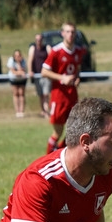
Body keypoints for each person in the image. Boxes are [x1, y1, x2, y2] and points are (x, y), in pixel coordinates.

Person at [42, 23, 87, 153]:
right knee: (58, 131)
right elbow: (44, 72)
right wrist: (62, 78)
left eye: (72, 32)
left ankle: (60, 153)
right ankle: (49, 158)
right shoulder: (56, 51)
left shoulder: (78, 51)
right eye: (67, 32)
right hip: (59, 97)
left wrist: (77, 78)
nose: (70, 34)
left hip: (72, 96)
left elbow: (77, 69)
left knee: (75, 129)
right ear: (62, 33)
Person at [27, 33, 50, 117]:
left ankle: (46, 111)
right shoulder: (33, 48)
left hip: (46, 75)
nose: (38, 41)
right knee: (41, 94)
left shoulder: (47, 48)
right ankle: (43, 111)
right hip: (37, 75)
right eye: (37, 40)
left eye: (40, 40)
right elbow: (30, 60)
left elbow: (52, 58)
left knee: (46, 94)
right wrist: (30, 71)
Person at [7, 49, 28, 118]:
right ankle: (17, 111)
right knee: (15, 94)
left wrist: (19, 63)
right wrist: (20, 72)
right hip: (13, 79)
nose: (17, 57)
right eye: (16, 56)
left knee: (21, 94)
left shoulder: (23, 61)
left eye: (19, 55)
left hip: (22, 79)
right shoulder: (11, 61)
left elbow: (22, 70)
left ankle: (21, 111)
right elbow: (14, 72)